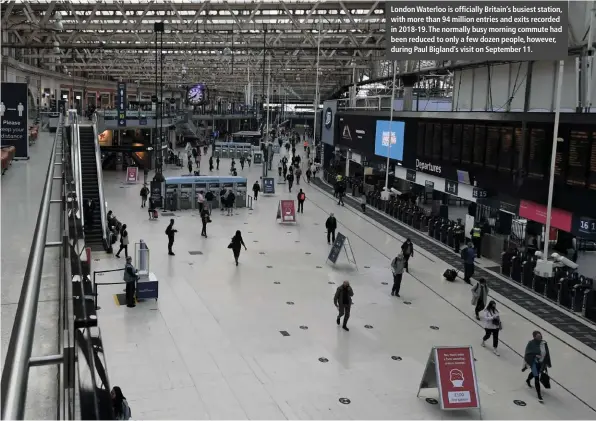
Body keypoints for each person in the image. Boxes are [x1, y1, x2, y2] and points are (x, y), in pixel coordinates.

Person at [523, 331, 551, 403]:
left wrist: (547, 362)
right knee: (536, 377)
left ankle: (528, 380)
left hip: (541, 363)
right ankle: (539, 395)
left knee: (534, 373)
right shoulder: (531, 343)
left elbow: (547, 353)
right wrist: (535, 356)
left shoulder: (544, 343)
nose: (540, 337)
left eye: (540, 336)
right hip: (534, 363)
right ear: (534, 337)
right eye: (538, 336)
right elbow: (528, 353)